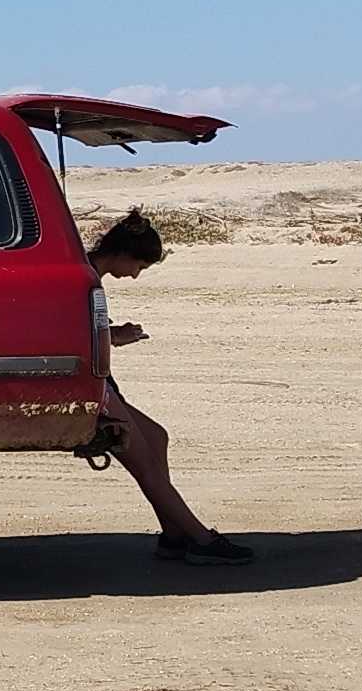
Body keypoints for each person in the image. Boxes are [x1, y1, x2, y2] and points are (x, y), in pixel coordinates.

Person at [85, 209, 255, 566]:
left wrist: (112, 336)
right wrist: (114, 336)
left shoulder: (88, 273)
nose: (135, 275)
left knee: (156, 438)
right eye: (140, 267)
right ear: (126, 255)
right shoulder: (84, 278)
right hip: (91, 386)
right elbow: (72, 336)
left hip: (102, 384)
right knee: (145, 464)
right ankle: (201, 539)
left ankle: (174, 535)